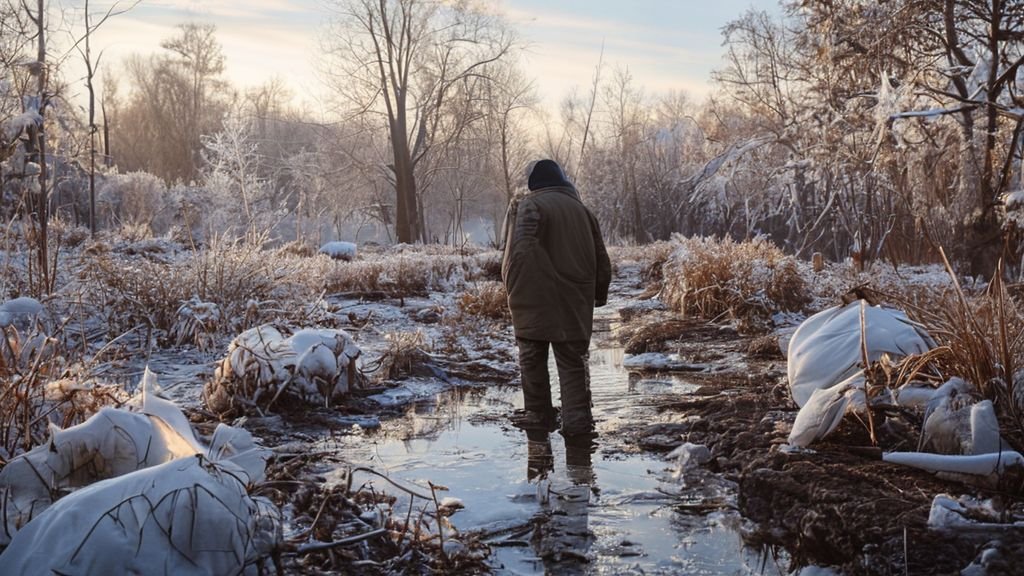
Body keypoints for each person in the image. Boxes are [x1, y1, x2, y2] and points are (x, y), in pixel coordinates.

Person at [501, 159, 611, 441]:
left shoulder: (530, 206)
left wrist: (513, 291)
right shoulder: (583, 211)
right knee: (573, 363)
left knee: (532, 358)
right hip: (576, 299)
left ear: (534, 185)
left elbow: (519, 253)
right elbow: (602, 259)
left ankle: (539, 418)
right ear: (562, 181)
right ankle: (578, 427)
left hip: (533, 299)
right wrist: (598, 295)